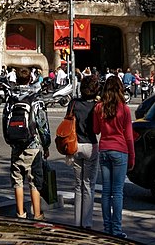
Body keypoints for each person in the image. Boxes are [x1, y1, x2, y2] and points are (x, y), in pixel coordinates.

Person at [95, 75, 134, 238]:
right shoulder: (124, 108)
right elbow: (129, 136)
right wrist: (132, 156)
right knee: (117, 192)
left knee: (106, 192)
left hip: (104, 149)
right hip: (120, 150)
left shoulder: (99, 108)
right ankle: (116, 230)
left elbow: (96, 129)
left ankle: (107, 228)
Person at [5, 72, 45, 220]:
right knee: (34, 181)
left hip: (16, 144)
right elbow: (42, 124)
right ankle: (37, 215)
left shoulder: (11, 98)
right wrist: (45, 145)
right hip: (33, 144)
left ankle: (20, 213)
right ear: (30, 79)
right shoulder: (35, 98)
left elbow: (5, 119)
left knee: (17, 180)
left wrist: (9, 140)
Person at [69, 74, 101, 230]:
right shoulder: (96, 106)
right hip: (90, 145)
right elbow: (98, 128)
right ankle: (86, 223)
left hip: (75, 145)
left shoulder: (73, 103)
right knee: (88, 185)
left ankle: (76, 222)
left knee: (78, 186)